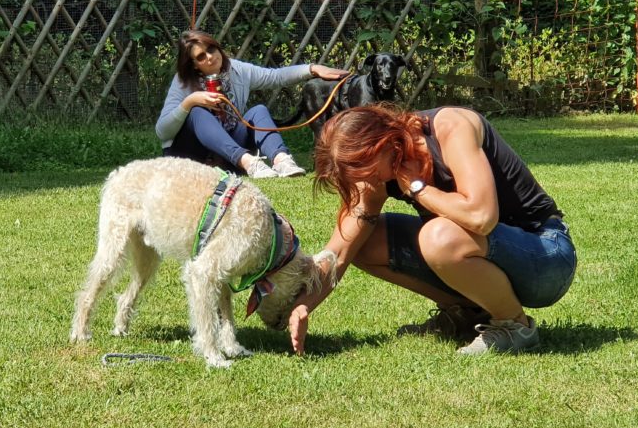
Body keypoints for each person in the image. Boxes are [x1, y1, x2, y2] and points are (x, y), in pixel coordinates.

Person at [286, 105, 577, 356]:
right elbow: (339, 251)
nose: (365, 182)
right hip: (485, 254)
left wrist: (418, 189)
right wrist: (303, 305)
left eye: (366, 172)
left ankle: (514, 326)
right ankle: (468, 314)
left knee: (438, 237)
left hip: (545, 255)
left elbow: (482, 217)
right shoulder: (380, 167)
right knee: (366, 241)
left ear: (383, 143)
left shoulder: (451, 128)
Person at [156, 29, 348, 178]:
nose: (209, 57)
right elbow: (162, 132)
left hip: (226, 153)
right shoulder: (182, 82)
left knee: (258, 110)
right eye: (200, 56)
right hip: (192, 156)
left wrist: (312, 69)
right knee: (197, 111)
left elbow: (275, 77)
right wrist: (189, 102)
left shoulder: (237, 69)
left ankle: (282, 160)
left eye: (211, 49)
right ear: (193, 65)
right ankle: (249, 163)